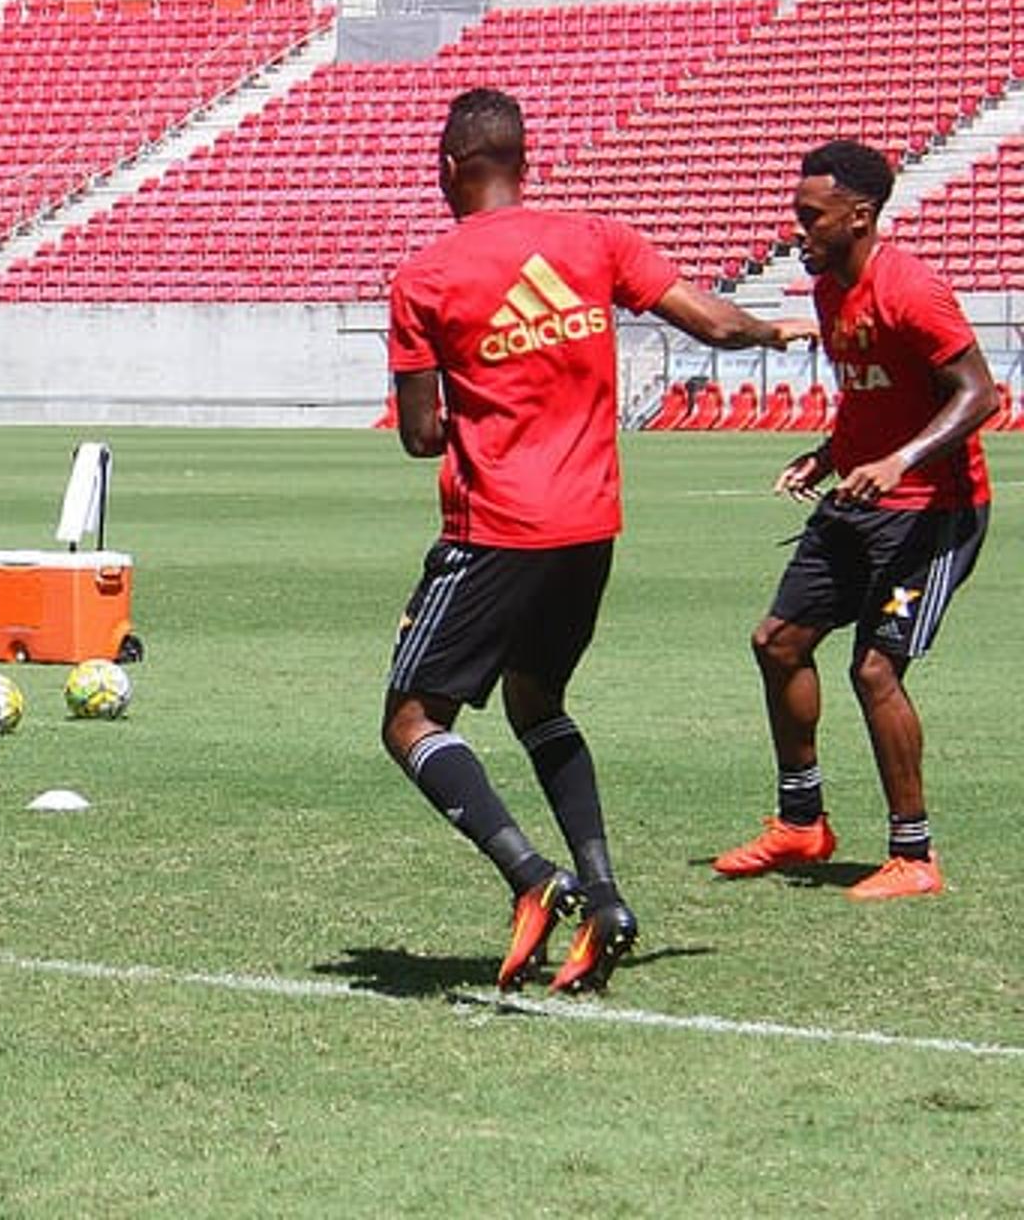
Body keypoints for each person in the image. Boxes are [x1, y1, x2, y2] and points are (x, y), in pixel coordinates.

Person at [383, 89, 816, 993]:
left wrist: (484, 383)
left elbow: (422, 434)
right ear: (524, 160)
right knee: (536, 699)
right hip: (590, 526)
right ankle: (610, 898)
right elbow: (714, 322)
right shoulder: (595, 241)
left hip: (498, 526)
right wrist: (779, 328)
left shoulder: (425, 278)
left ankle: (536, 879)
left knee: (414, 721)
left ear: (454, 165)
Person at [713, 141, 998, 900]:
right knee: (778, 642)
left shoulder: (913, 289)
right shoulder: (830, 291)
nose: (796, 229)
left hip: (934, 513)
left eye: (810, 216)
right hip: (861, 501)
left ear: (858, 216)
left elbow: (978, 396)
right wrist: (827, 456)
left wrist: (901, 461)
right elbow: (869, 395)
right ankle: (802, 824)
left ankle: (914, 856)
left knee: (874, 668)